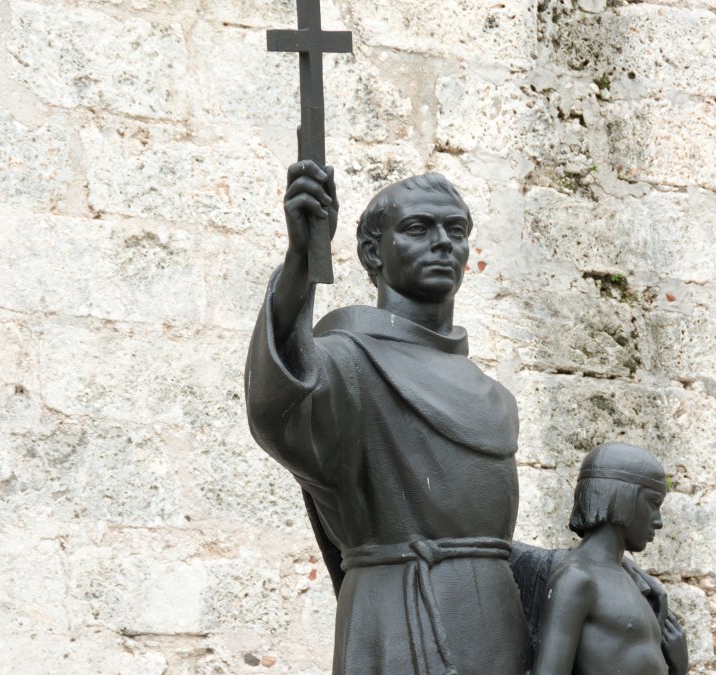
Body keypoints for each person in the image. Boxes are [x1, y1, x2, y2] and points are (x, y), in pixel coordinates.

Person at [245, 161, 528, 674]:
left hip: (495, 625)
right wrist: (301, 261)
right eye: (418, 228)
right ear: (373, 252)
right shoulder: (347, 364)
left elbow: (474, 538)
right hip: (397, 619)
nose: (443, 243)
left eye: (456, 230)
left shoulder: (496, 396)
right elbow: (280, 401)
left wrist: (581, 569)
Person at [533, 443, 689, 675]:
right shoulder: (577, 578)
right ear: (621, 497)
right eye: (653, 503)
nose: (658, 521)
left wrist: (679, 667)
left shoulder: (633, 580)